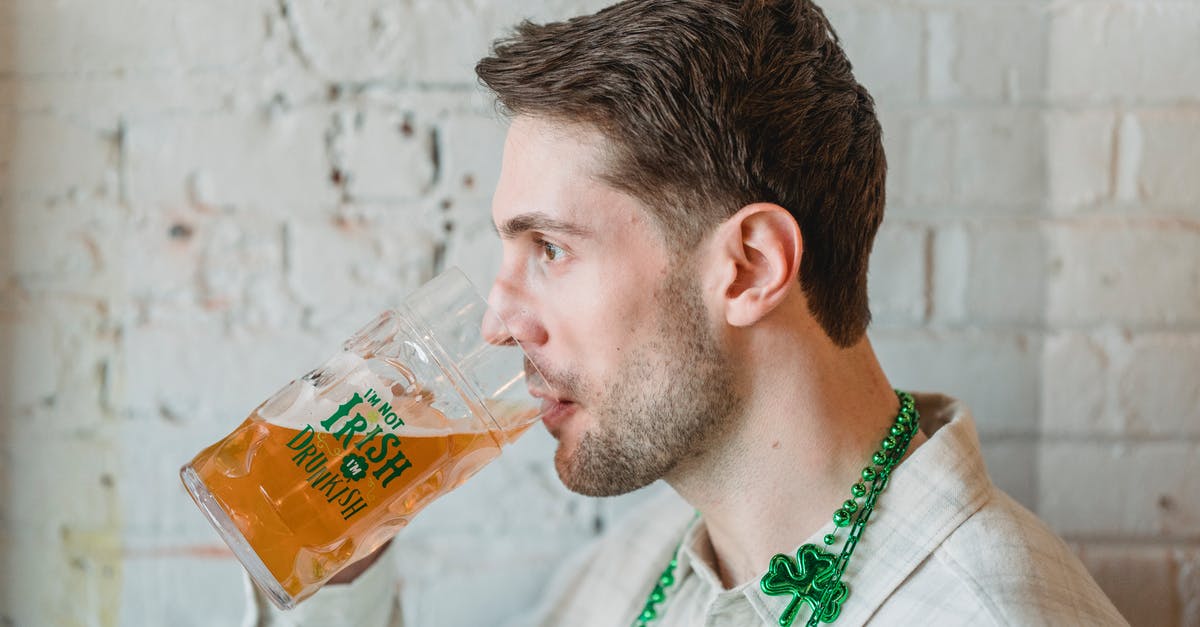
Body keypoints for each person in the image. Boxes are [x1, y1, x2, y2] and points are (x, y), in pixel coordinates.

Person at [244, 1, 1127, 625]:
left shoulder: (984, 612)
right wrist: (343, 566)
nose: (497, 324)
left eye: (548, 248)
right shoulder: (648, 565)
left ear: (749, 267)